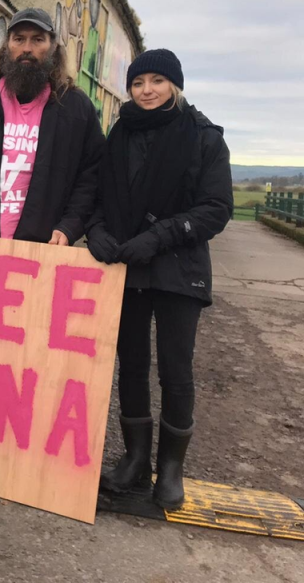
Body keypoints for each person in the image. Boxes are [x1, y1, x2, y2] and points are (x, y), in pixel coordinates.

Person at [86, 49, 232, 510]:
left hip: (178, 269)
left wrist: (160, 236)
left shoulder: (203, 137)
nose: (146, 90)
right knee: (129, 364)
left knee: (175, 368)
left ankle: (170, 469)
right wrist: (97, 233)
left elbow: (215, 208)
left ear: (175, 85)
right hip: (127, 265)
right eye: (138, 82)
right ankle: (133, 460)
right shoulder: (119, 134)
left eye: (157, 81)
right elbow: (99, 194)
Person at [0, 7, 104, 245]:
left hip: (44, 248)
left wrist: (70, 226)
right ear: (7, 46)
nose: (27, 48)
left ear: (53, 47)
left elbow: (92, 176)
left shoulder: (76, 109)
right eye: (19, 39)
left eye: (38, 40)